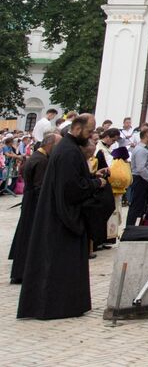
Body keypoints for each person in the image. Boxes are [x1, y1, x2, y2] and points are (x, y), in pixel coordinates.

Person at [17, 115, 108, 319]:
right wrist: (95, 184)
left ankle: (65, 304)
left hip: (58, 215)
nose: (91, 134)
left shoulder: (69, 149)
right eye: (89, 130)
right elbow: (71, 189)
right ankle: (57, 305)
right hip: (62, 219)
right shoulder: (68, 152)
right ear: (76, 128)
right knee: (57, 263)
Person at [9, 133, 57, 283]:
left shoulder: (37, 157)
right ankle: (23, 273)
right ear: (49, 145)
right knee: (29, 238)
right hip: (34, 204)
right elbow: (39, 186)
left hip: (30, 201)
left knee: (26, 237)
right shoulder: (41, 160)